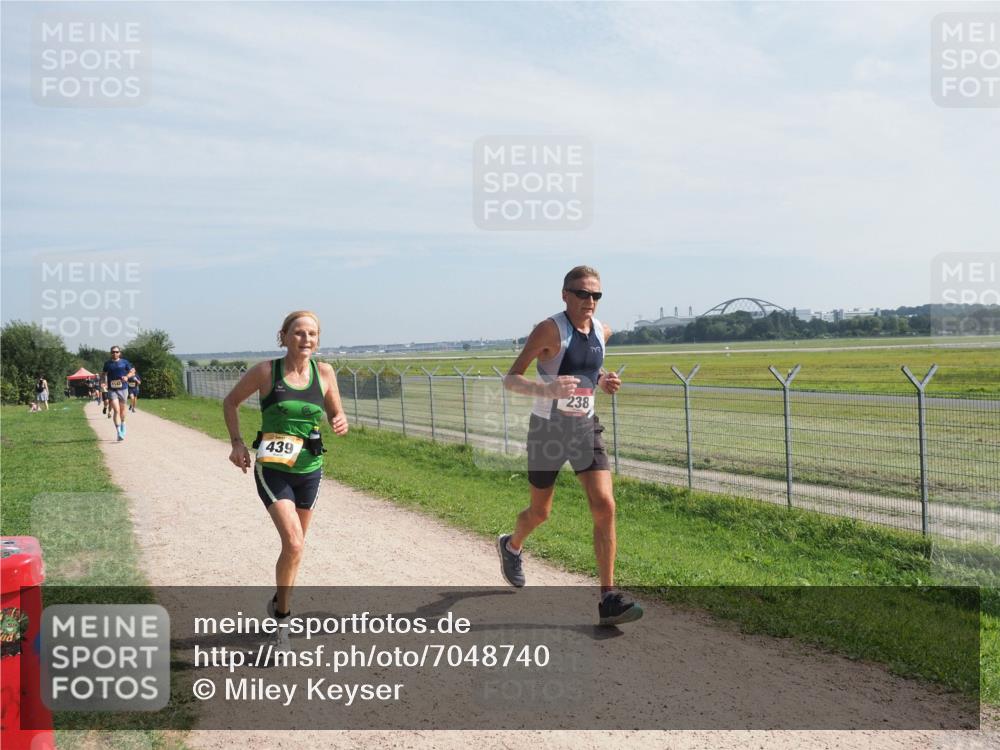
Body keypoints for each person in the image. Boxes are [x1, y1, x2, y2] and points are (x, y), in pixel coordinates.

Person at [497, 266, 642, 626]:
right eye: (581, 293)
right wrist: (545, 390)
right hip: (547, 430)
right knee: (540, 512)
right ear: (565, 295)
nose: (589, 301)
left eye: (595, 295)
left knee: (605, 504)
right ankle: (512, 545)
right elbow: (511, 379)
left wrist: (604, 381)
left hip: (584, 430)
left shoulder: (602, 332)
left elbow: (590, 373)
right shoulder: (550, 330)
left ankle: (608, 597)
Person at [223, 311, 349, 652]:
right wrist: (236, 442)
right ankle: (283, 625)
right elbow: (231, 402)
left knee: (295, 550)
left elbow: (336, 411)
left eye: (312, 334)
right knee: (294, 544)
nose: (305, 339)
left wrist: (340, 420)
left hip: (310, 468)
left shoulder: (324, 373)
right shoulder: (267, 372)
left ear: (317, 339)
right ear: (284, 336)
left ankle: (279, 602)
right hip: (273, 468)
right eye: (298, 333)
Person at [101, 346, 136, 441]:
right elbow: (103, 374)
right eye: (113, 352)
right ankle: (119, 432)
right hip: (112, 390)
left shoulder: (125, 362)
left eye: (116, 352)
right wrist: (103, 382)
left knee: (122, 410)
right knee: (116, 410)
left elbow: (132, 371)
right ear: (110, 353)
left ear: (119, 353)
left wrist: (127, 377)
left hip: (123, 389)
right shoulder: (107, 363)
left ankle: (123, 425)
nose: (114, 353)